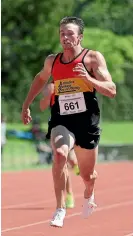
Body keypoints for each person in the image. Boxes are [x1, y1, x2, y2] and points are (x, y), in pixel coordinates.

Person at [21, 16, 116, 227]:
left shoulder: (92, 59)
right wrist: (26, 104)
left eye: (70, 33)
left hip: (87, 122)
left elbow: (111, 90)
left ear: (80, 36)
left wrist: (88, 79)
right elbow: (40, 78)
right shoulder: (52, 61)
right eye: (62, 33)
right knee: (60, 153)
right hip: (62, 119)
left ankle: (90, 192)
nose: (65, 37)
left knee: (87, 175)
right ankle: (60, 209)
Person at [40, 82, 80, 208]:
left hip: (73, 127)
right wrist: (49, 94)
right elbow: (42, 106)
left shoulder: (73, 81)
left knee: (71, 160)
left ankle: (76, 166)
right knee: (63, 159)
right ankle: (69, 193)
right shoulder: (51, 86)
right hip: (58, 128)